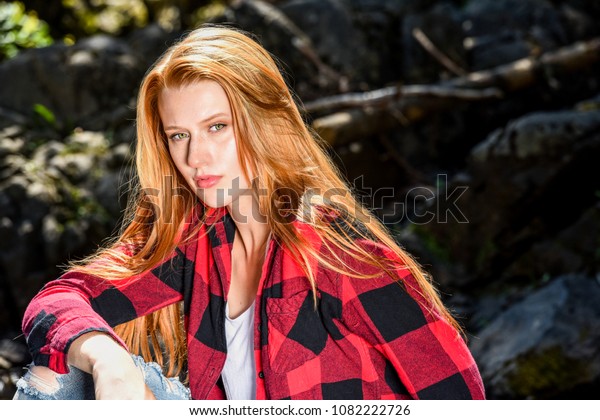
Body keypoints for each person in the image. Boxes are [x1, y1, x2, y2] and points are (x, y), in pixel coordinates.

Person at [14, 25, 485, 400]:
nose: (196, 158)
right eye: (179, 135)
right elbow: (57, 301)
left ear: (268, 122)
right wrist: (110, 363)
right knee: (58, 382)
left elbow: (460, 396)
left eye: (217, 127)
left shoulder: (339, 248)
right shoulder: (197, 239)